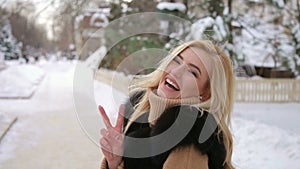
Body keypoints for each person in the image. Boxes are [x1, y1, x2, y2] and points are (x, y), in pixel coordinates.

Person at [99, 40, 235, 169]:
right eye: (176, 61)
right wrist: (116, 163)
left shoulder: (188, 145)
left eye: (192, 72)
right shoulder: (141, 118)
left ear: (206, 94)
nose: (175, 72)